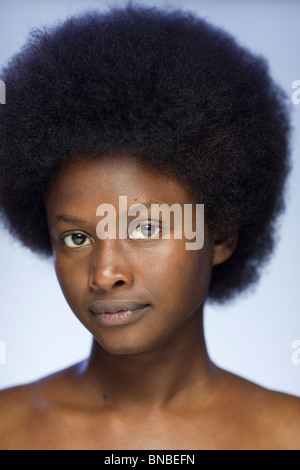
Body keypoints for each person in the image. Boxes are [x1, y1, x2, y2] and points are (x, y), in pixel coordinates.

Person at [0, 3, 299, 450]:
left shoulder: (286, 434)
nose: (105, 274)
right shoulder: (8, 429)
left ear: (219, 235)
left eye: (146, 230)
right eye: (77, 238)